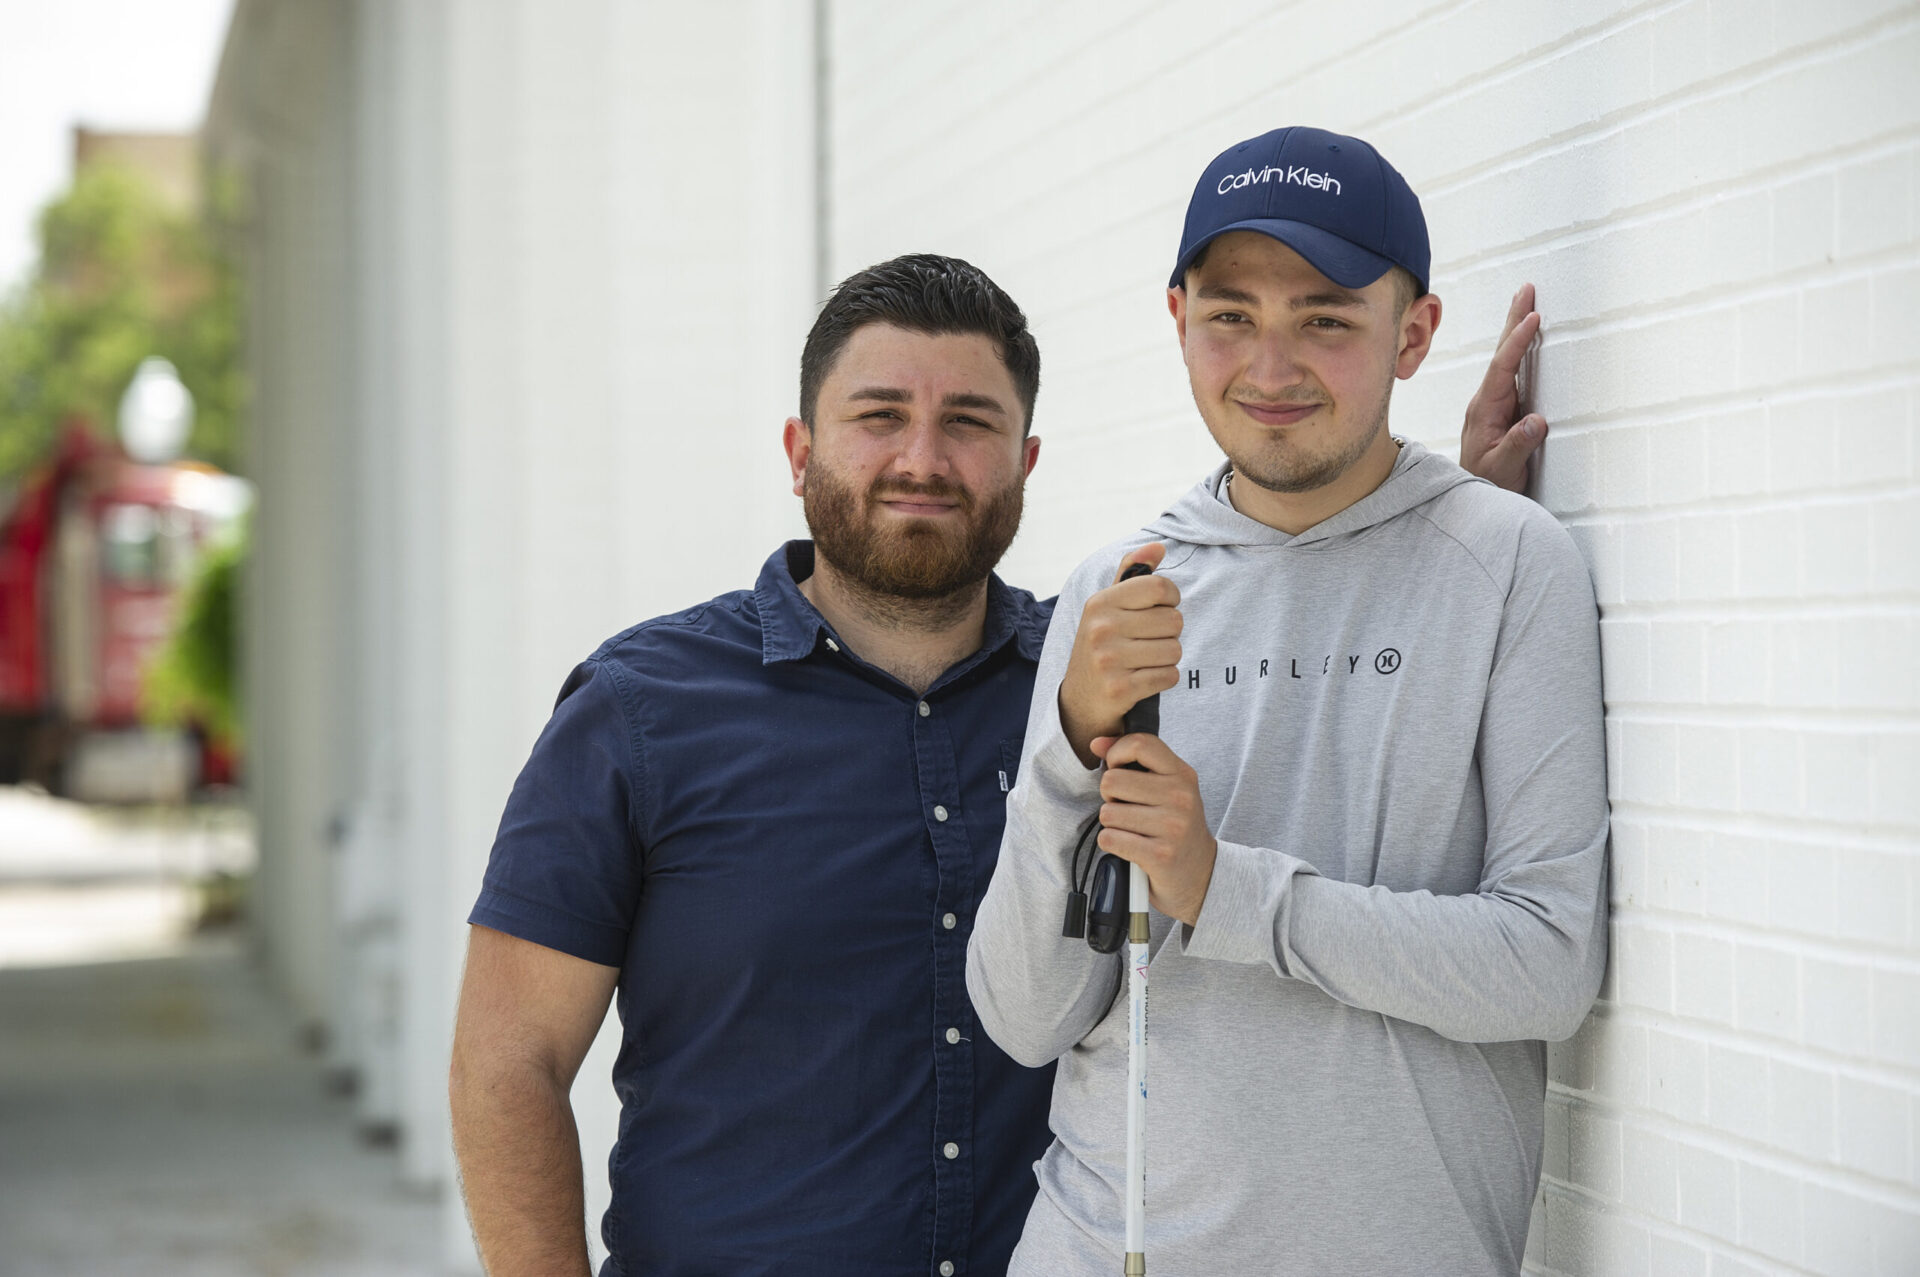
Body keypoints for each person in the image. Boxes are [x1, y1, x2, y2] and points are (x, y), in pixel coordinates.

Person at [448, 248, 1553, 1275]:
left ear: (1024, 462)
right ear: (800, 454)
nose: (921, 459)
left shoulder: (1105, 691)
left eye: (968, 422)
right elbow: (508, 1064)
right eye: (879, 416)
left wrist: (1437, 521)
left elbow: (1314, 691)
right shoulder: (643, 709)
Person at [966, 126, 1608, 1277]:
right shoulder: (1120, 588)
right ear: (1177, 320)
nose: (1270, 367)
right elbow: (1022, 1016)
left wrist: (1228, 889)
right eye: (1231, 316)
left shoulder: (1507, 561)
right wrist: (1068, 746)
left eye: (1324, 317)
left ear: (1411, 334)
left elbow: (1548, 962)